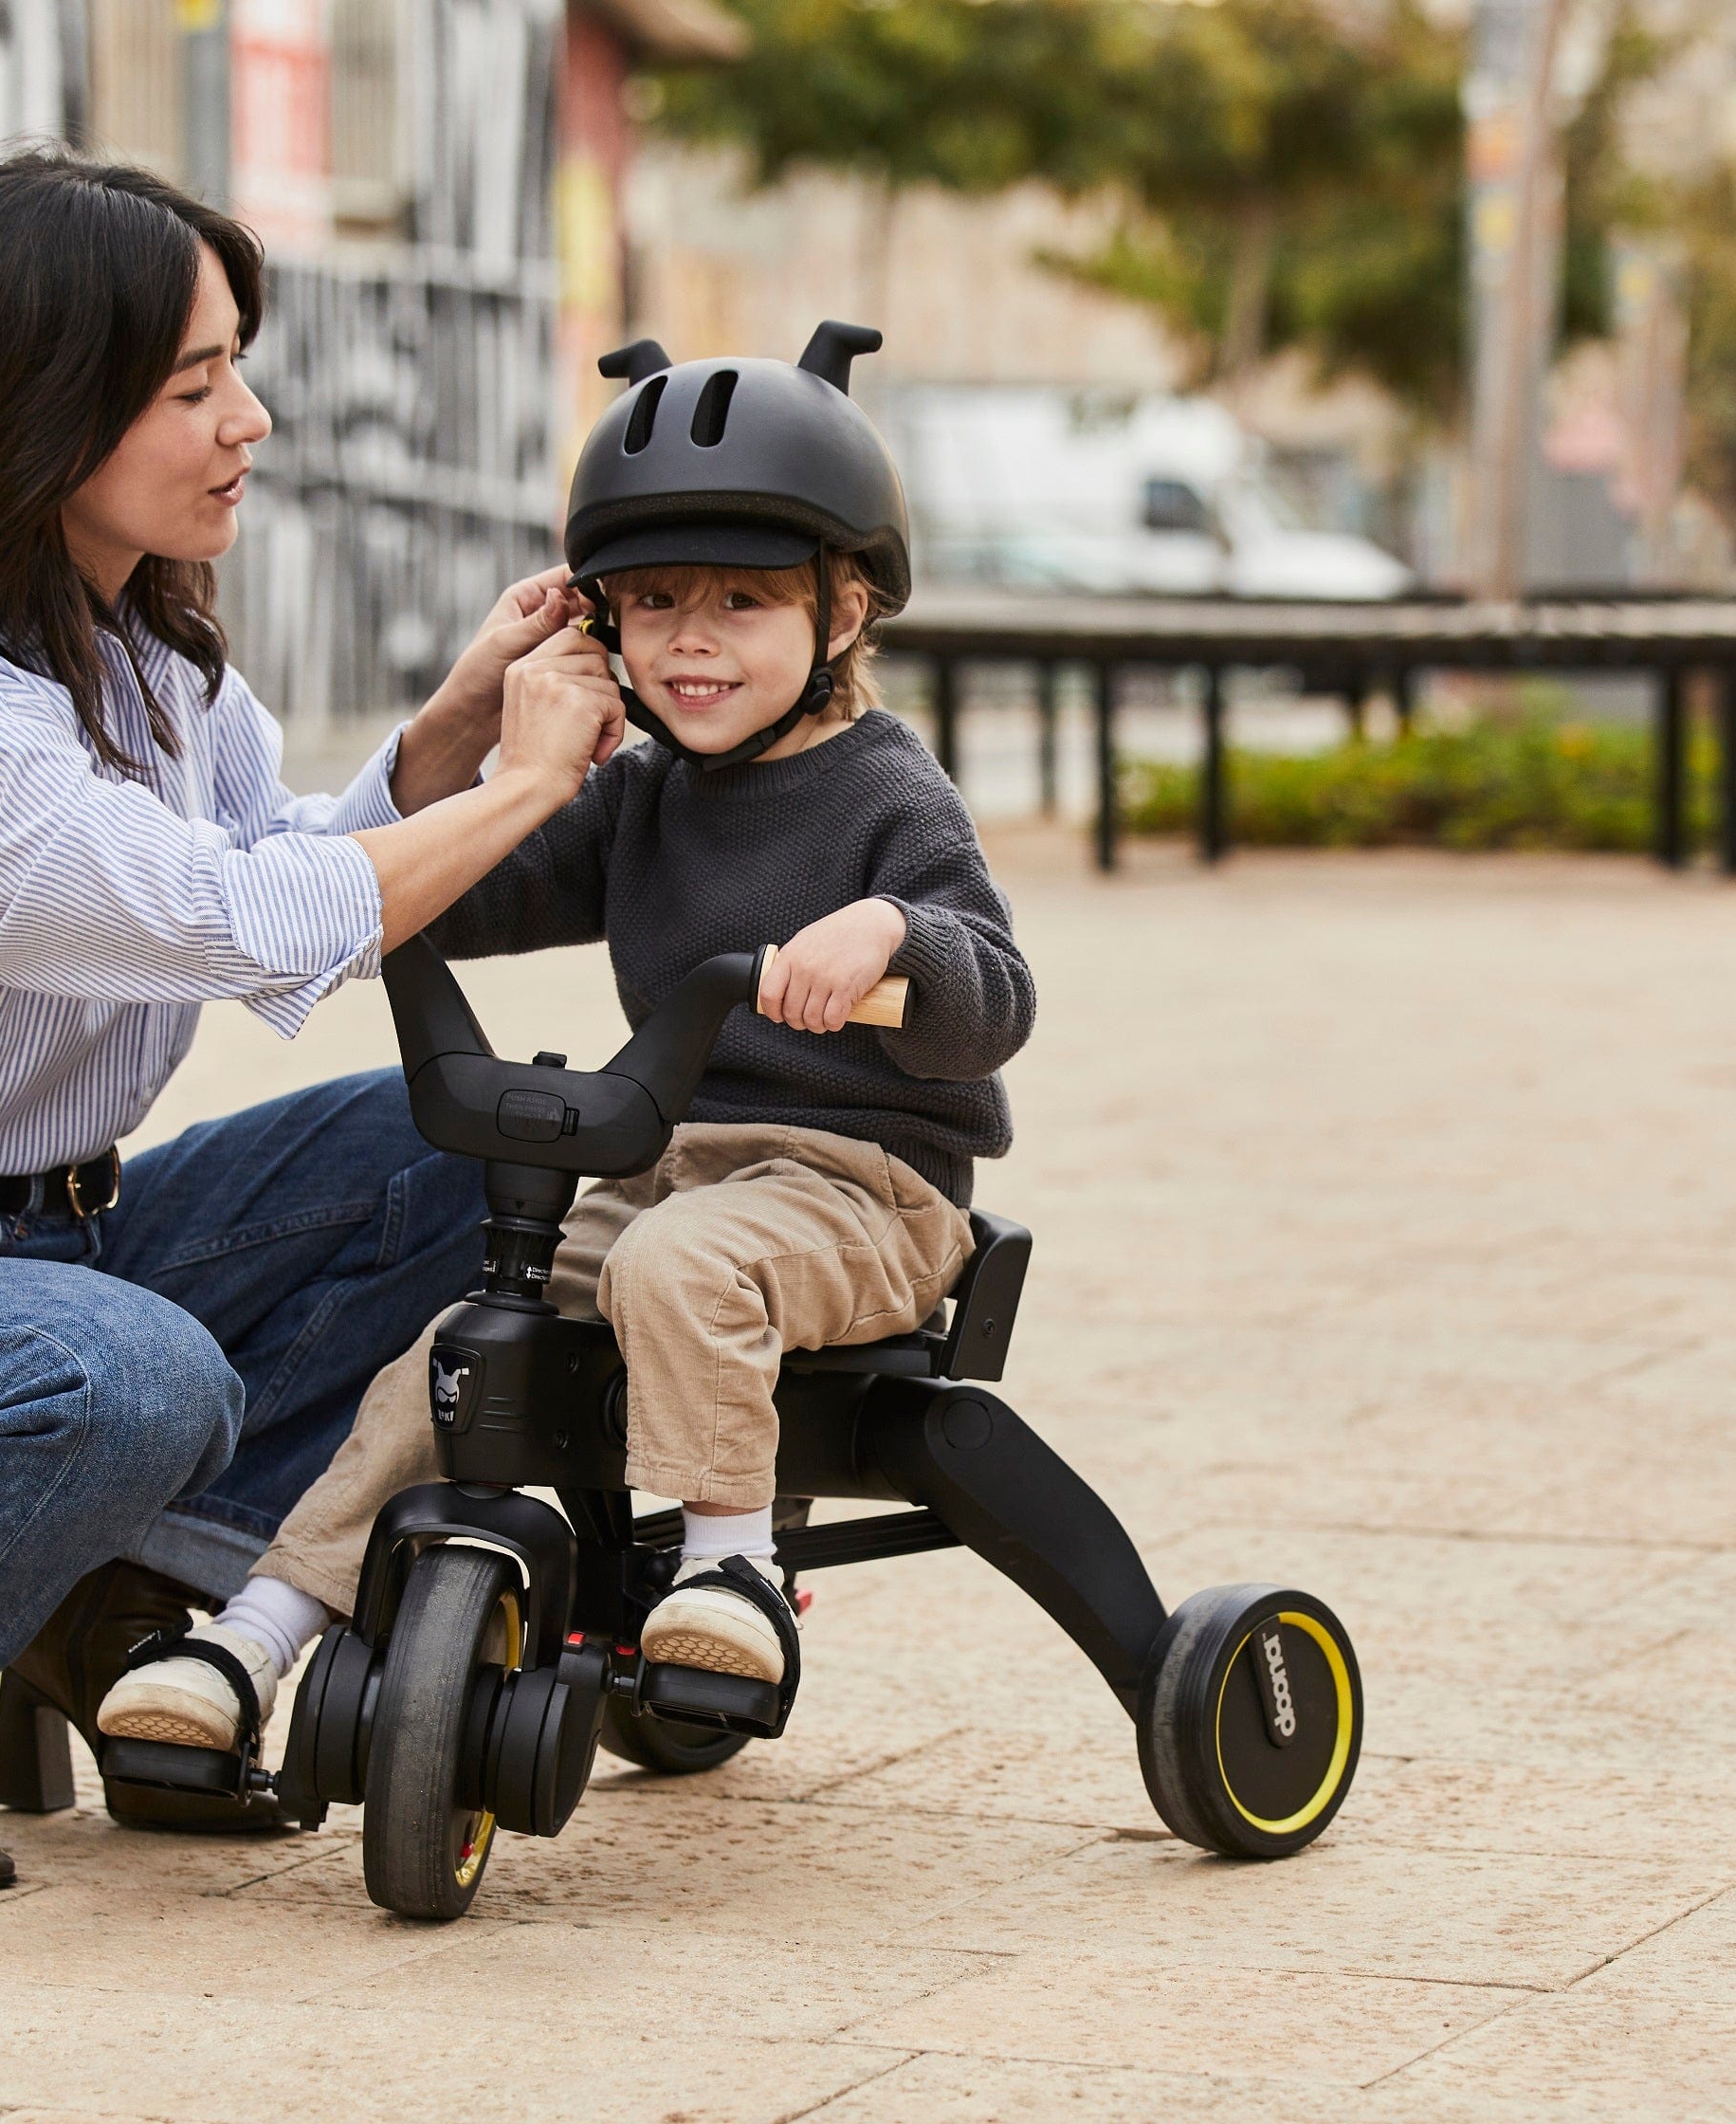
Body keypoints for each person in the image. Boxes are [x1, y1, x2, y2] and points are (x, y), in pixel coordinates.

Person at [0, 152, 626, 1895]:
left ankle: (120, 1596)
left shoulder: (152, 665)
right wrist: (533, 784)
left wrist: (458, 728)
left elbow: (294, 875)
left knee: (457, 1146)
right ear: (45, 408)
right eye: (195, 384)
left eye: (235, 366)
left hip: (61, 1245)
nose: (248, 418)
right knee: (140, 1376)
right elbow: (234, 926)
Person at [98, 328, 1036, 1757]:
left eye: (741, 602)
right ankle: (262, 1631)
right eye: (652, 605)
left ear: (844, 614)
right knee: (458, 1350)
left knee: (677, 1265)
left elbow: (999, 993)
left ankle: (730, 1572)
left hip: (868, 1195)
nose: (692, 640)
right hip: (680, 1179)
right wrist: (508, 785)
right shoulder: (644, 792)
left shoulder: (887, 797)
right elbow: (468, 894)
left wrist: (896, 942)